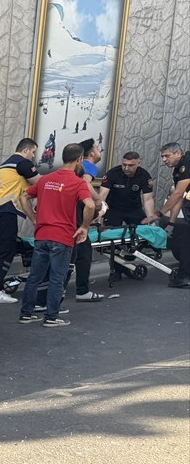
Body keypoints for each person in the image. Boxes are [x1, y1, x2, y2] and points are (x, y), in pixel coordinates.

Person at [18, 143, 96, 328]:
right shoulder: (78, 183)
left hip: (42, 235)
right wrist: (84, 227)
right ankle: (51, 317)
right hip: (62, 237)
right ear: (79, 160)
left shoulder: (45, 180)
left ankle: (26, 314)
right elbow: (91, 205)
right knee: (57, 277)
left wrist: (34, 218)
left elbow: (23, 197)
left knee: (35, 276)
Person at [0, 138, 39, 304]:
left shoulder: (6, 165)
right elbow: (42, 183)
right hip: (4, 211)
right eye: (33, 152)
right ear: (27, 150)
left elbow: (24, 195)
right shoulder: (23, 163)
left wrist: (32, 216)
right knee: (7, 251)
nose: (33, 156)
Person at [99, 151, 157, 279]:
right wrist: (99, 214)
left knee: (141, 236)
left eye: (131, 165)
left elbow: (148, 200)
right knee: (112, 241)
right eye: (124, 164)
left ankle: (128, 260)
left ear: (138, 163)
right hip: (114, 210)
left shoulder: (144, 175)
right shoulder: (113, 173)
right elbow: (102, 196)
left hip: (133, 209)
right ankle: (116, 270)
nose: (126, 168)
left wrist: (151, 220)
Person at [71, 138, 106, 302]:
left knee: (82, 252)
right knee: (81, 252)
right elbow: (84, 183)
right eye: (97, 148)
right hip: (78, 210)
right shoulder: (89, 165)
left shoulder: (77, 165)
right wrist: (99, 201)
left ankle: (81, 289)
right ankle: (81, 291)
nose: (100, 150)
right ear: (92, 153)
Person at [158, 142, 190, 289]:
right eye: (162, 157)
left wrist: (159, 213)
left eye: (167, 156)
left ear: (178, 153)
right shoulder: (178, 170)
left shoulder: (187, 162)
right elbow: (179, 197)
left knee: (186, 241)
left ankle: (185, 277)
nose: (164, 160)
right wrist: (171, 223)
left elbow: (177, 194)